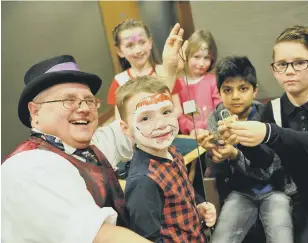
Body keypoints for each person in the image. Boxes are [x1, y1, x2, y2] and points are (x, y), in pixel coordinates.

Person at [1, 22, 187, 243]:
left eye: (89, 100)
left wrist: (169, 70)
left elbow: (142, 119)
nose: (83, 107)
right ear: (35, 112)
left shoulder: (92, 147)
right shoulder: (30, 166)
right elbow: (102, 236)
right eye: (68, 100)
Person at [226, 25, 308, 242]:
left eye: (299, 62)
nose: (289, 70)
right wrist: (241, 142)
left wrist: (269, 132)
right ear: (274, 70)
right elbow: (265, 159)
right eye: (282, 64)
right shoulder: (274, 108)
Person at [197, 56, 295, 243]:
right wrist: (212, 153)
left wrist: (235, 154)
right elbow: (219, 168)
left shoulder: (267, 114)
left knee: (282, 237)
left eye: (243, 88)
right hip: (240, 192)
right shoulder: (215, 119)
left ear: (254, 90)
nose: (235, 96)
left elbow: (271, 168)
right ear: (219, 92)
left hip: (274, 189)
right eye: (227, 89)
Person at [116, 75, 217, 243]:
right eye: (145, 118)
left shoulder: (172, 151)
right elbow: (148, 239)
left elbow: (182, 193)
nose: (161, 124)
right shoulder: (143, 181)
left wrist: (199, 206)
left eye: (166, 112)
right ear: (126, 129)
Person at [107, 19, 183, 120]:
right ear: (119, 51)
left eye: (142, 42)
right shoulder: (119, 81)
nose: (138, 50)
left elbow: (177, 109)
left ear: (150, 42)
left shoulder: (167, 72)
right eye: (130, 45)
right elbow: (119, 119)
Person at [177, 29, 221, 136]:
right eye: (196, 57)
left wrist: (206, 127)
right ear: (187, 55)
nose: (201, 63)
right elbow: (179, 115)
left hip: (212, 134)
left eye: (206, 58)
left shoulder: (213, 81)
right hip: (190, 137)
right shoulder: (179, 83)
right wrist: (192, 129)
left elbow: (219, 108)